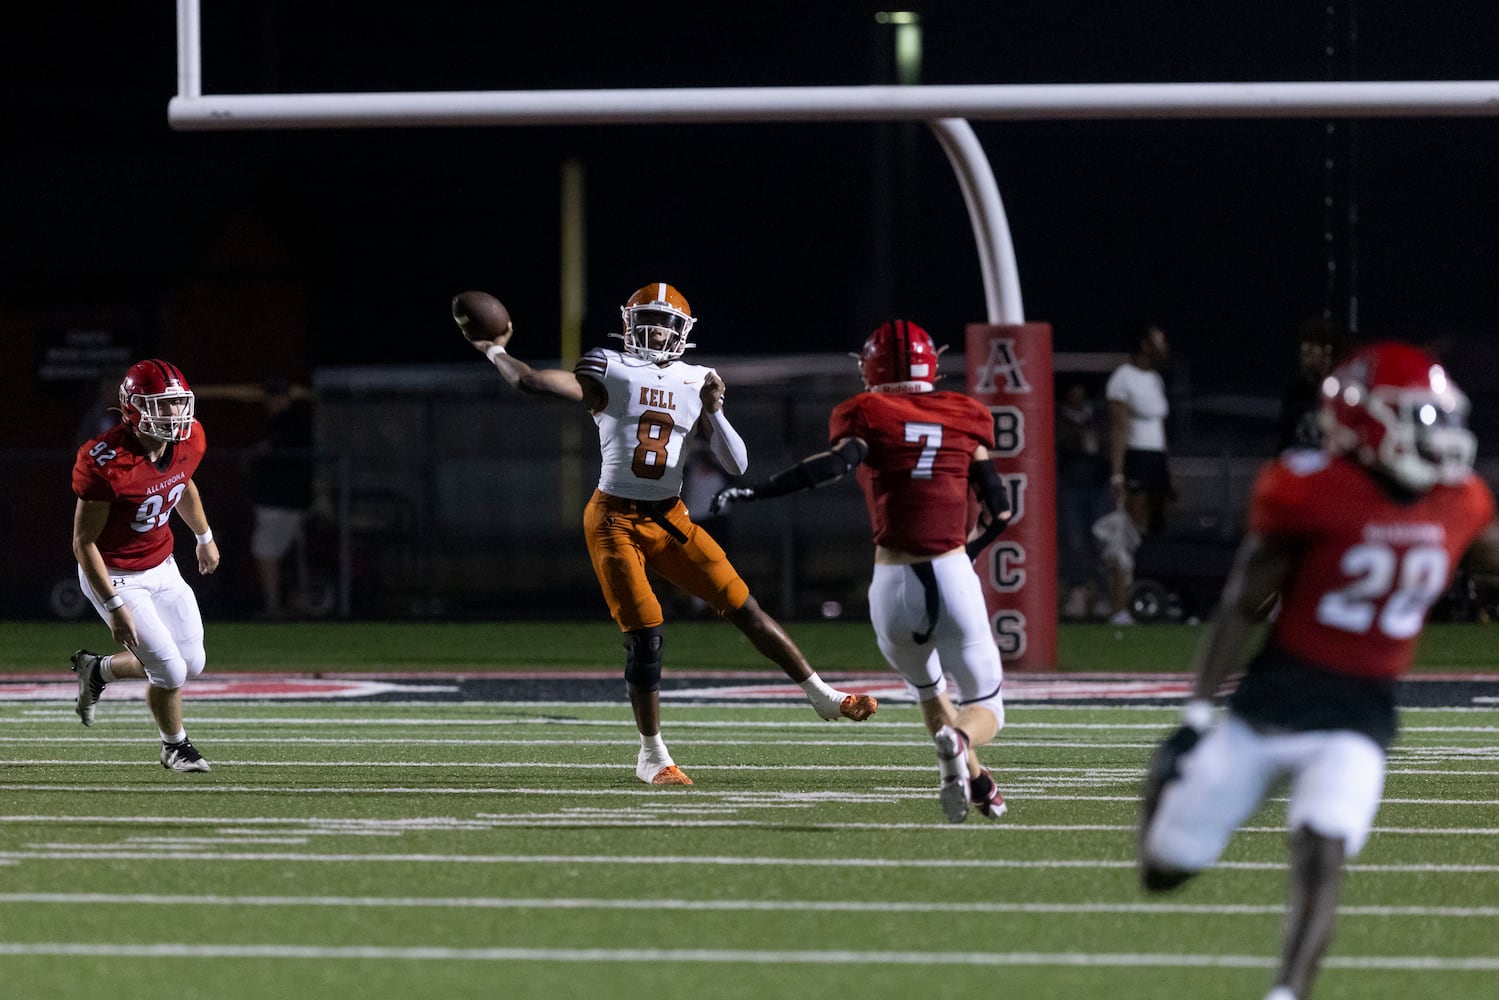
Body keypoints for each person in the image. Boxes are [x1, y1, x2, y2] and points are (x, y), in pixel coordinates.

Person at [1137, 342, 1499, 1000]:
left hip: (1358, 716)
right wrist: (1193, 715)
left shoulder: (1459, 501)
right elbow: (1240, 604)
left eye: (1436, 416)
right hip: (1266, 710)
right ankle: (1161, 788)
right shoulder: (1309, 491)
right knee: (1163, 870)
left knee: (1322, 848)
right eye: (1417, 417)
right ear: (1367, 423)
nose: (1438, 434)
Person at [458, 282, 877, 786]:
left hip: (670, 517)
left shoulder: (697, 378)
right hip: (614, 520)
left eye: (667, 321)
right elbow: (531, 383)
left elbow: (735, 464)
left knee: (745, 607)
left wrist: (716, 410)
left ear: (683, 331)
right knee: (646, 637)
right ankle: (652, 755)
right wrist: (496, 350)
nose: (657, 329)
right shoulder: (607, 367)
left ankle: (823, 697)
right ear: (629, 325)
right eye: (648, 319)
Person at [710, 320, 1011, 822]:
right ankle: (960, 742)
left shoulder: (867, 412)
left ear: (870, 368)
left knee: (929, 690)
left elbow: (832, 465)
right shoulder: (965, 413)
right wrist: (970, 550)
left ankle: (972, 779)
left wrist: (757, 491)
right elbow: (999, 510)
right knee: (986, 707)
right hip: (951, 572)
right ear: (931, 363)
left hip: (891, 587)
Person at [68, 358, 221, 773]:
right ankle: (175, 747)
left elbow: (181, 480)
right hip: (116, 574)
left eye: (176, 403)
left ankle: (97, 670)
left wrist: (203, 537)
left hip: (163, 564)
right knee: (169, 669)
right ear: (133, 407)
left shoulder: (189, 441)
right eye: (161, 404)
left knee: (192, 663)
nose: (173, 414)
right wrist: (114, 605)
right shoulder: (106, 461)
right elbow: (84, 543)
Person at [1105, 319, 1174, 625]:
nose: (1164, 347)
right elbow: (1119, 428)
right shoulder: (1123, 378)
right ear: (1145, 344)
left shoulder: (1156, 379)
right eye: (1159, 340)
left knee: (1155, 532)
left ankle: (1153, 597)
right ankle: (1121, 606)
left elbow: (1159, 429)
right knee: (1129, 534)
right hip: (1137, 458)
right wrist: (1118, 474)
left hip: (1156, 459)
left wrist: (1168, 471)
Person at [248, 376, 315, 618]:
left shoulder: (293, 422)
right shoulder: (282, 422)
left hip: (281, 501)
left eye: (278, 396)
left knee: (266, 551)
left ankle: (275, 606)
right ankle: (300, 604)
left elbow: (272, 452)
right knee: (295, 554)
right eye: (271, 396)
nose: (272, 401)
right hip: (287, 500)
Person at [1055, 381, 1113, 619]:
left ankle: (1101, 594)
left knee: (1101, 541)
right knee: (1075, 541)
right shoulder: (1059, 419)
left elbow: (1108, 444)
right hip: (1072, 486)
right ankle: (1077, 591)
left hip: (1098, 486)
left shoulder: (1097, 418)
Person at [1276, 317, 1351, 454]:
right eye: (1304, 351)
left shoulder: (1345, 392)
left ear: (1328, 353)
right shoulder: (1296, 391)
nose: (1305, 357)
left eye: (1311, 350)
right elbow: (1285, 438)